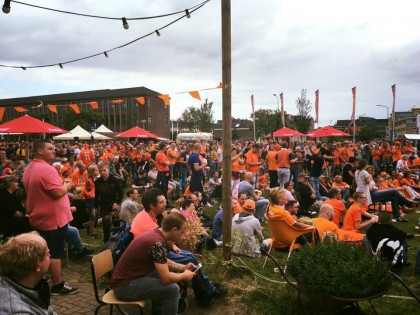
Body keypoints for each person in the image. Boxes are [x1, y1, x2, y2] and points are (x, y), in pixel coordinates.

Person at [130, 188, 227, 306]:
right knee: (190, 258)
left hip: (151, 253)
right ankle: (207, 290)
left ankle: (206, 285)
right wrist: (183, 273)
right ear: (151, 205)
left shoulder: (147, 215)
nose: (165, 204)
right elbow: (159, 242)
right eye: (161, 202)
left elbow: (161, 236)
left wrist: (173, 245)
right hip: (148, 259)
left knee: (189, 256)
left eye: (164, 201)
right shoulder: (147, 223)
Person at [111, 213, 196, 315]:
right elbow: (166, 279)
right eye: (182, 232)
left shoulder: (156, 234)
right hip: (124, 287)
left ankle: (160, 311)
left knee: (161, 273)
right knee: (173, 290)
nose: (182, 235)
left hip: (126, 280)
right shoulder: (158, 243)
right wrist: (184, 275)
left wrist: (183, 267)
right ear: (174, 230)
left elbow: (162, 261)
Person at [22, 139, 78, 295]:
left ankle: (39, 279)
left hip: (38, 217)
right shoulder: (47, 169)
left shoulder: (29, 168)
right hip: (53, 220)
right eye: (51, 148)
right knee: (54, 252)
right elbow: (58, 192)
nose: (54, 151)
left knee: (41, 251)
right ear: (40, 151)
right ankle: (58, 285)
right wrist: (67, 185)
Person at [0, 233, 55, 314]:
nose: (50, 255)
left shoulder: (34, 284)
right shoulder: (18, 311)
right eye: (47, 253)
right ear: (38, 265)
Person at [94, 161, 123, 243]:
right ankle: (106, 241)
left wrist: (117, 202)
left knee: (116, 222)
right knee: (106, 224)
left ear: (108, 169)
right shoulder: (97, 182)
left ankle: (117, 239)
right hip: (103, 205)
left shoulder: (114, 180)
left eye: (104, 170)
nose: (102, 173)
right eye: (100, 171)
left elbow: (121, 193)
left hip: (114, 204)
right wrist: (96, 207)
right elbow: (97, 195)